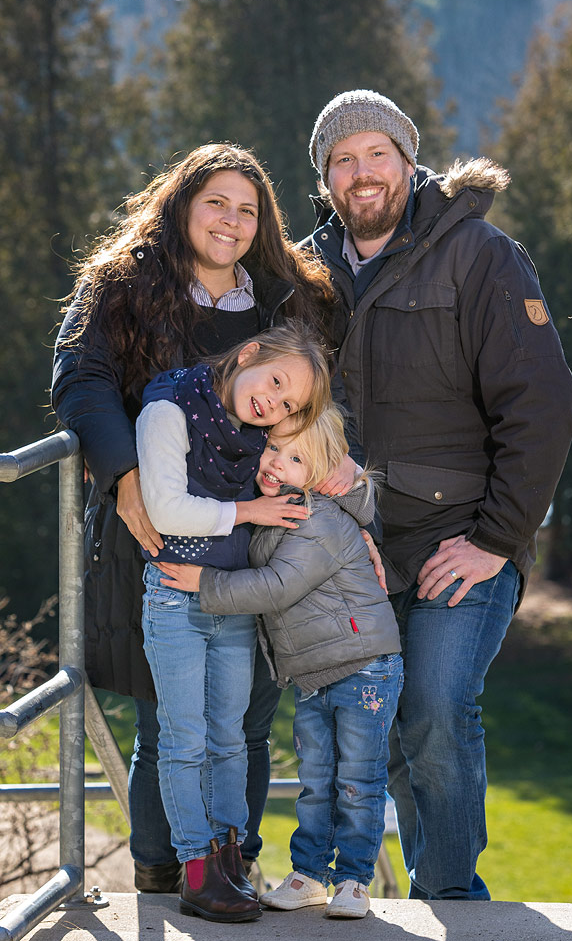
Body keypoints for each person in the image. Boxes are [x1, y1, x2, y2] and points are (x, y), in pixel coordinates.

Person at [51, 143, 354, 895]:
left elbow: (315, 401)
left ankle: (233, 865)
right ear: (182, 203)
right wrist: (121, 473)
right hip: (161, 529)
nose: (231, 221)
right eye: (216, 202)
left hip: (260, 541)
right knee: (168, 718)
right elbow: (80, 379)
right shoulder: (119, 285)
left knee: (248, 716)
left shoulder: (288, 298)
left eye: (248, 210)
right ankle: (165, 871)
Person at [301, 89, 572, 901]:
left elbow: (544, 404)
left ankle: (454, 900)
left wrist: (495, 539)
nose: (361, 174)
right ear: (324, 178)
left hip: (462, 538)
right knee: (381, 718)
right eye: (341, 160)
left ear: (407, 159)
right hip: (356, 550)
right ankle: (429, 893)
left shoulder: (480, 255)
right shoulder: (308, 273)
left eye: (375, 154)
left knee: (433, 707)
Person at [160, 404, 402, 920]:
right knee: (316, 779)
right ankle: (310, 873)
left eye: (294, 458)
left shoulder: (316, 520)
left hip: (364, 669)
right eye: (272, 448)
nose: (274, 463)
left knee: (357, 780)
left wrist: (204, 584)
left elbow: (274, 587)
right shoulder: (274, 511)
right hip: (315, 674)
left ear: (319, 475)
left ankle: (355, 880)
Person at [135, 324, 331, 921]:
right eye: (275, 381)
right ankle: (196, 868)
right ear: (249, 354)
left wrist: (352, 519)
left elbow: (320, 463)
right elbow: (167, 508)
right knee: (184, 737)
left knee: (231, 738)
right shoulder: (169, 408)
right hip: (175, 599)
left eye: (289, 402)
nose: (274, 403)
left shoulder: (260, 437)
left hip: (232, 602)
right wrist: (249, 510)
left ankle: (228, 861)